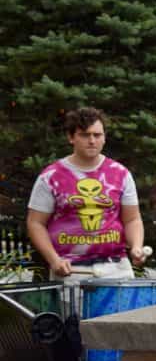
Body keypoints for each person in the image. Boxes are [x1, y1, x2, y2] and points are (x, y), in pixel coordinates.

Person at [26, 107, 146, 280]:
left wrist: (136, 246)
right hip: (70, 270)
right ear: (71, 137)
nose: (92, 141)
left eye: (97, 135)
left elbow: (132, 219)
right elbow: (35, 223)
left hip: (116, 268)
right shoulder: (51, 176)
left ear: (104, 138)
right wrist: (53, 260)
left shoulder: (121, 173)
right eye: (84, 135)